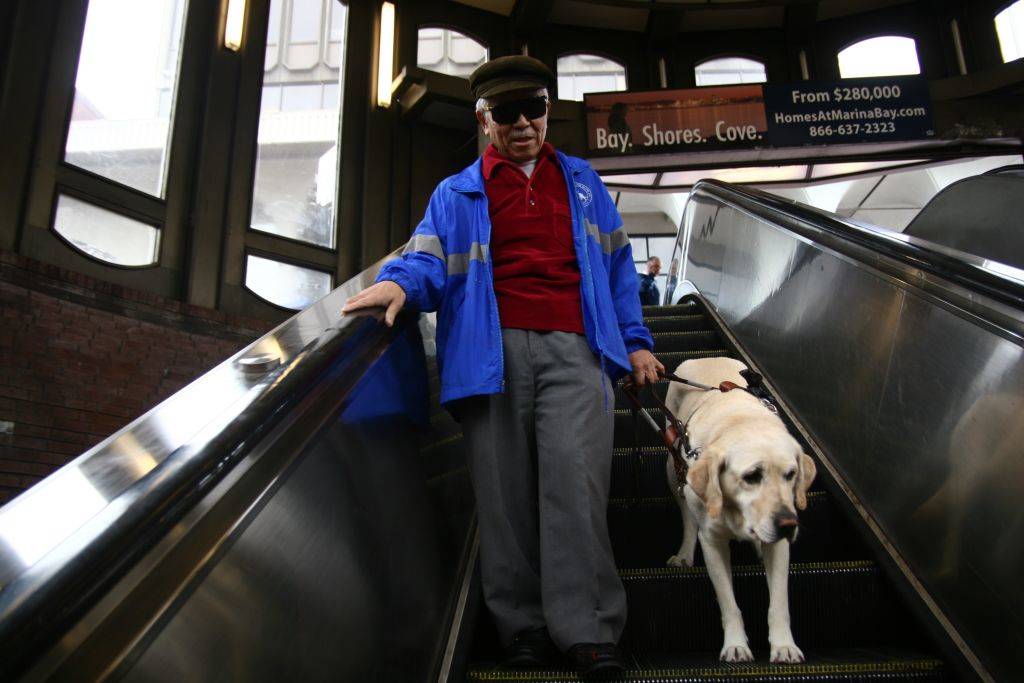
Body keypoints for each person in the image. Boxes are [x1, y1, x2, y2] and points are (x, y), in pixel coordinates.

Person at [341, 55, 662, 679]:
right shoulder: (457, 191)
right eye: (508, 112)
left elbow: (621, 273)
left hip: (577, 346)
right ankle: (523, 625)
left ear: (548, 112)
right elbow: (427, 255)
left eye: (534, 109)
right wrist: (398, 284)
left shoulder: (585, 184)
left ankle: (589, 630)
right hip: (489, 354)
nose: (524, 124)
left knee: (577, 485)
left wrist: (637, 340)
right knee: (503, 494)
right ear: (484, 118)